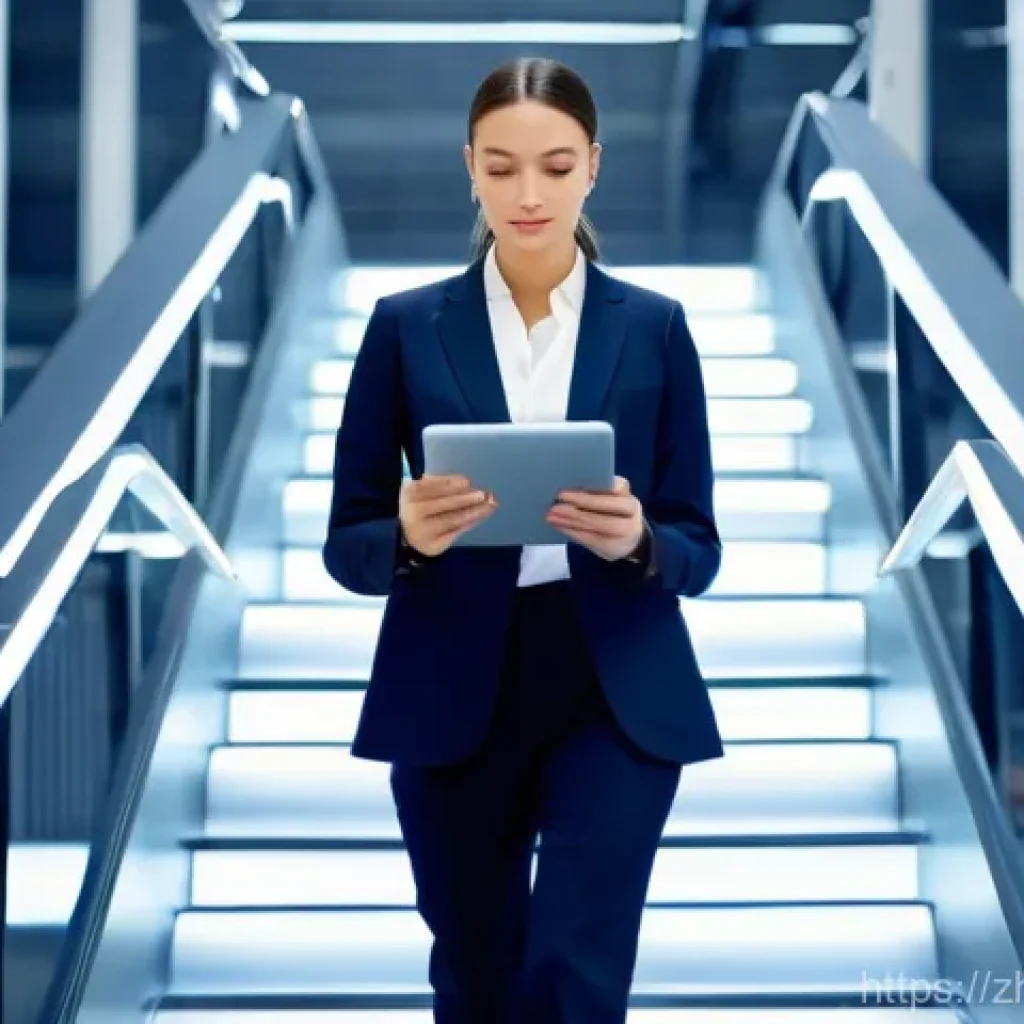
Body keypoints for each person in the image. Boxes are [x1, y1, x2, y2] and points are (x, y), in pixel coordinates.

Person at [322, 57, 724, 1024]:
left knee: (577, 970)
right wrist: (410, 534)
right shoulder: (406, 327)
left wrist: (639, 541)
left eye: (553, 165)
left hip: (613, 685)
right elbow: (349, 541)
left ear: (593, 165)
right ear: (470, 168)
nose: (528, 194)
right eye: (500, 168)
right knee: (476, 970)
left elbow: (698, 546)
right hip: (452, 683)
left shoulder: (657, 329)